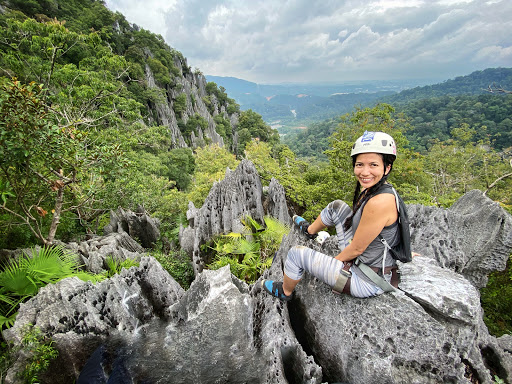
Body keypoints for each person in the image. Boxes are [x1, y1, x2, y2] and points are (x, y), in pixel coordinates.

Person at [261, 131, 401, 301]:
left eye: (373, 165)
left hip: (367, 279)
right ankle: (310, 231)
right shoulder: (379, 189)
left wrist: (330, 265)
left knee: (296, 254)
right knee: (337, 207)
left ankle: (285, 291)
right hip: (366, 261)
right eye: (359, 165)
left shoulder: (379, 202)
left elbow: (357, 249)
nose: (364, 172)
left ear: (387, 167)